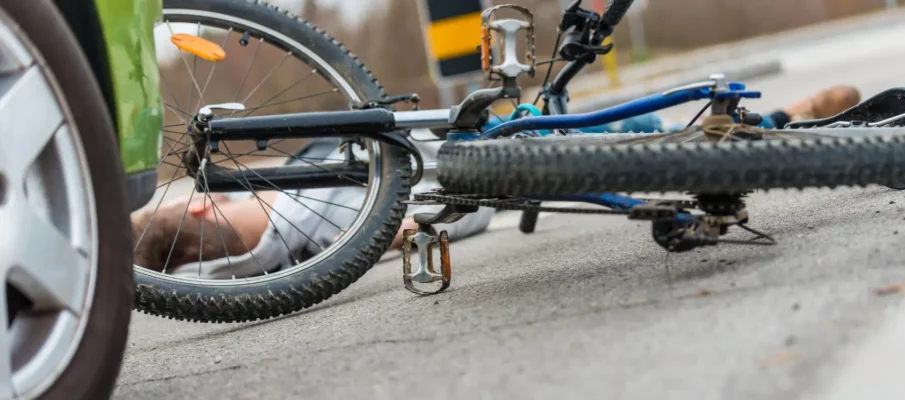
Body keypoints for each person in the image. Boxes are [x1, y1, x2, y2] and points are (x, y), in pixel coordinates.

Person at [131, 85, 861, 277]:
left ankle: (786, 123)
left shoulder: (277, 253)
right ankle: (785, 120)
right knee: (611, 132)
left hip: (446, 180)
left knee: (603, 132)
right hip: (456, 171)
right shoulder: (298, 230)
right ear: (200, 213)